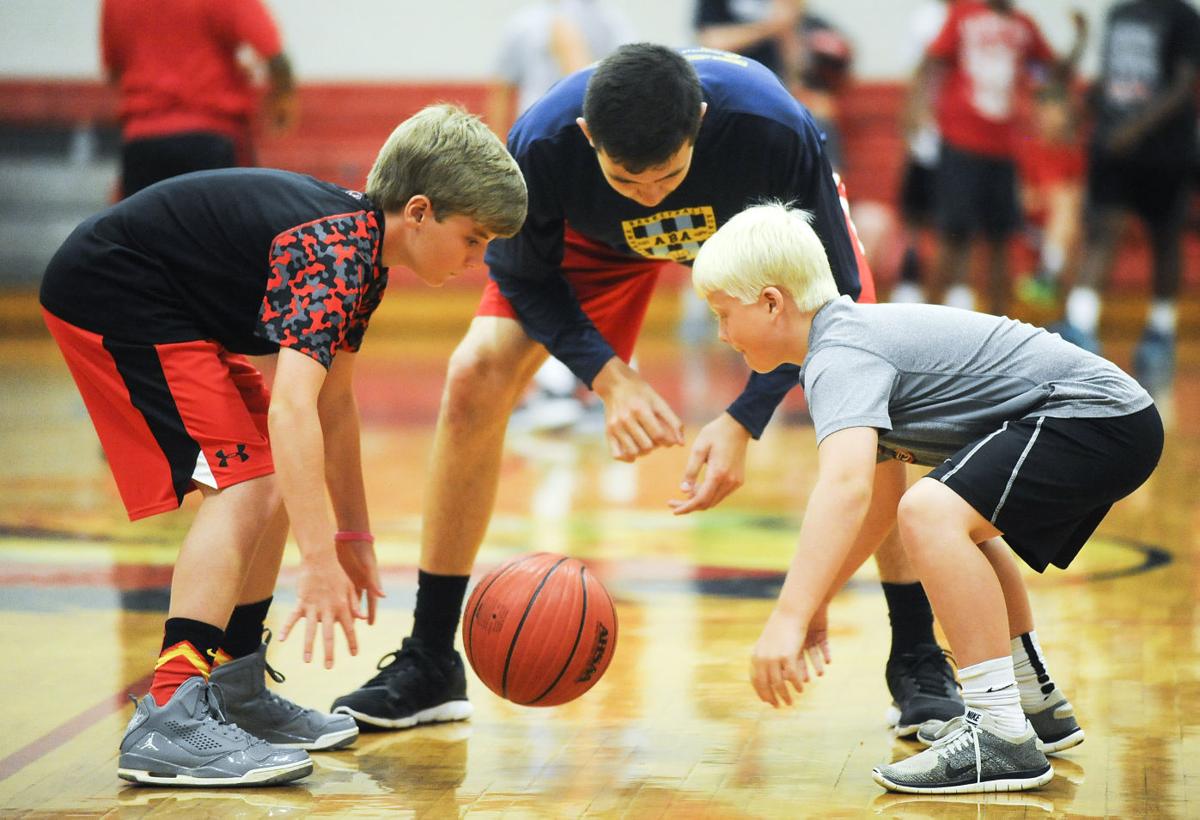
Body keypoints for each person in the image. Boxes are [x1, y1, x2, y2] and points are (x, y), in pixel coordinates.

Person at [330, 43, 963, 740]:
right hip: (596, 246)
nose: (654, 193)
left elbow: (834, 300)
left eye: (668, 173)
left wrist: (746, 416)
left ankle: (916, 654)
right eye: (630, 181)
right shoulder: (542, 141)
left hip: (751, 237)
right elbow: (523, 277)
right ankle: (428, 659)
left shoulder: (773, 126)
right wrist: (609, 375)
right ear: (589, 138)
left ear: (698, 120)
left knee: (872, 410)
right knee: (473, 374)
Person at [38, 105, 527, 786]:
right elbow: (292, 407)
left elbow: (335, 405)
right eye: (473, 239)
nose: (478, 262)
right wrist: (317, 558)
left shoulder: (365, 256)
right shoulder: (336, 248)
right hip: (115, 289)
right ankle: (169, 714)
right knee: (247, 482)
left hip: (166, 300)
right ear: (418, 211)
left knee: (262, 474)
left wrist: (352, 533)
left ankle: (235, 689)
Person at [689, 202, 1161, 793]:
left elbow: (845, 489)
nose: (721, 332)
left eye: (722, 313)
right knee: (947, 516)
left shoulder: (839, 355)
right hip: (1114, 416)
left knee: (931, 512)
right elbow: (875, 510)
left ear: (771, 302)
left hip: (1095, 416)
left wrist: (787, 617)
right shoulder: (850, 339)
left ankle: (998, 734)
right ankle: (1032, 704)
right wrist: (815, 602)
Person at [487, 0, 635, 433]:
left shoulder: (610, 19)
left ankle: (593, 386)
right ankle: (545, 388)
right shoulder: (524, 22)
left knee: (588, 272)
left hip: (589, 162)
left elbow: (614, 87)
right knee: (532, 270)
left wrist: (574, 51)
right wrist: (497, 156)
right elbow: (502, 89)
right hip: (532, 160)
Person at [1055, 0, 1200, 393]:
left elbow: (1184, 84)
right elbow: (1110, 76)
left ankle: (1160, 329)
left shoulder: (1182, 17)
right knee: (1103, 230)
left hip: (1166, 149)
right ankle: (1080, 328)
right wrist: (1088, 110)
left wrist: (1136, 127)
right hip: (1113, 145)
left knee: (1165, 237)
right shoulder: (1120, 13)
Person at [909, 0, 1086, 314]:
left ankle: (1001, 334)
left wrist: (1080, 40)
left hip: (1004, 149)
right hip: (960, 143)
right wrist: (918, 112)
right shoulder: (963, 14)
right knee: (951, 238)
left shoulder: (1024, 26)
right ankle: (927, 326)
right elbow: (932, 62)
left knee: (1001, 242)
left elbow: (1055, 71)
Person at [101, 0, 297, 198]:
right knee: (223, 227)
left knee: (144, 227)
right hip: (210, 135)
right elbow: (276, 58)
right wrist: (282, 102)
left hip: (143, 141)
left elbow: (115, 71)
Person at [892, 0, 953, 305]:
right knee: (915, 217)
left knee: (953, 222)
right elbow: (920, 70)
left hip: (962, 137)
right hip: (931, 131)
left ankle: (950, 297)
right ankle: (910, 282)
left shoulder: (974, 15)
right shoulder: (928, 17)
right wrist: (914, 115)